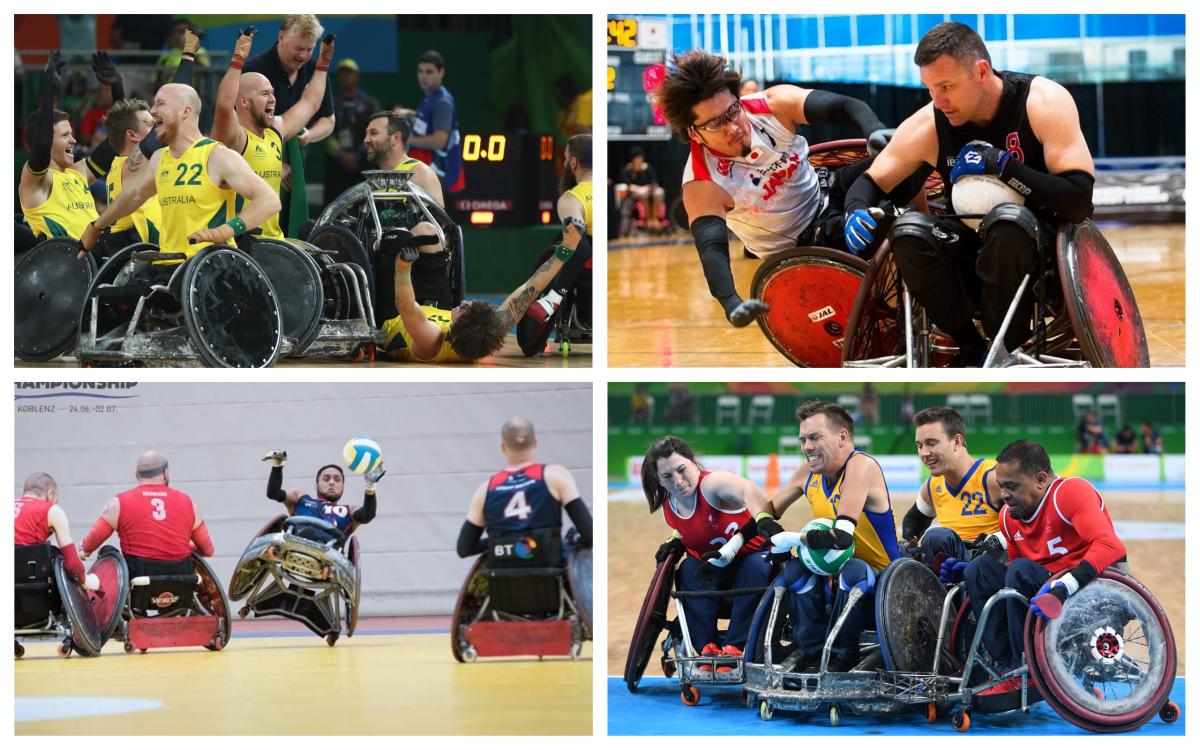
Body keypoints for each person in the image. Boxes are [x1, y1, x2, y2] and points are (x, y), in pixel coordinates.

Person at [843, 21, 1095, 364]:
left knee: (1008, 222)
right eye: (930, 88)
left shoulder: (1043, 101)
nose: (938, 100)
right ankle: (972, 347)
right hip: (970, 247)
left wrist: (1006, 168)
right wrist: (855, 208)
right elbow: (871, 180)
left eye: (946, 86)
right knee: (908, 231)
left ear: (980, 71)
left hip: (1039, 250)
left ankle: (1004, 343)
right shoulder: (931, 123)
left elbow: (1079, 201)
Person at [657, 49, 910, 327]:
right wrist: (730, 301)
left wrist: (872, 128)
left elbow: (847, 106)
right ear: (694, 132)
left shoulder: (772, 104)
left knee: (906, 156)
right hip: (805, 243)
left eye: (732, 111)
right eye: (716, 122)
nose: (733, 127)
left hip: (829, 187)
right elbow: (712, 251)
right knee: (895, 228)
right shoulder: (702, 183)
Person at [963, 440, 1126, 703]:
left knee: (1020, 570)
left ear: (1040, 479)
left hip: (1084, 590)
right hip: (1042, 590)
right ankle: (1005, 667)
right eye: (1001, 486)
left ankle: (1026, 668)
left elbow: (1111, 546)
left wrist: (1065, 586)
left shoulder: (1070, 492)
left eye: (1011, 486)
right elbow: (1010, 579)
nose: (1003, 494)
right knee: (978, 570)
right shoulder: (1008, 516)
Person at [755, 400, 902, 672]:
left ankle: (842, 656)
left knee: (853, 568)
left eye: (814, 437)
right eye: (802, 440)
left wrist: (792, 538)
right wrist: (764, 522)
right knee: (795, 571)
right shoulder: (808, 471)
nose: (807, 447)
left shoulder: (861, 466)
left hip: (885, 584)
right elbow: (770, 508)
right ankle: (812, 654)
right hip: (835, 578)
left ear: (842, 436)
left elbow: (841, 538)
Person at [79, 82, 282, 272]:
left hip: (209, 267)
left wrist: (227, 230)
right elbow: (132, 196)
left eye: (160, 104)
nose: (153, 110)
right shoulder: (160, 159)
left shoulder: (217, 155)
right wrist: (96, 226)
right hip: (169, 264)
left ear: (186, 111)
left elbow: (270, 201)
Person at [640, 435, 770, 668]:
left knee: (756, 564)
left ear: (694, 463)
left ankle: (736, 646)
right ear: (659, 480)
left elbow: (750, 489)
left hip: (752, 567)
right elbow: (692, 529)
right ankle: (705, 647)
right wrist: (675, 539)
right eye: (667, 476)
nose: (678, 481)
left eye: (682, 470)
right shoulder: (669, 508)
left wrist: (761, 519)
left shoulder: (711, 485)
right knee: (688, 568)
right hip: (714, 575)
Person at [381, 217, 588, 363]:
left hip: (394, 312)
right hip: (432, 306)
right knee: (428, 232)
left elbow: (406, 306)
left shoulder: (432, 340)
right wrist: (565, 251)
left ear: (457, 329)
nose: (463, 302)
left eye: (464, 309)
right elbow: (529, 289)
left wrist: (403, 268)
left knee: (398, 237)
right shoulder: (483, 335)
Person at [211, 27, 334, 240]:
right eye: (264, 93)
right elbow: (224, 105)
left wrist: (323, 63)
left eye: (273, 93)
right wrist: (238, 58)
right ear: (244, 102)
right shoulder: (235, 138)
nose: (273, 99)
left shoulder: (275, 132)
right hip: (239, 244)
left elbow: (310, 103)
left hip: (274, 241)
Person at [243, 14, 337, 235]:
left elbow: (322, 114)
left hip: (293, 159)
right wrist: (272, 162)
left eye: (309, 49)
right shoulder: (255, 70)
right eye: (298, 48)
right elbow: (241, 128)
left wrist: (309, 135)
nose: (304, 55)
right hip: (252, 159)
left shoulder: (314, 71)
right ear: (282, 36)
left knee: (292, 227)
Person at [457, 416, 593, 561]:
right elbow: (590, 534)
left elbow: (464, 549)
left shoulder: (485, 489)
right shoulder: (556, 475)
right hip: (549, 577)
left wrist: (501, 544)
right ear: (534, 442)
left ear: (503, 446)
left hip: (502, 580)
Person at [363, 110, 453, 311]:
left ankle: (437, 310)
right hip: (380, 261)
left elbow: (439, 230)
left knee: (413, 234)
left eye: (373, 133)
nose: (366, 140)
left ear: (395, 137)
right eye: (366, 134)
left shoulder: (418, 172)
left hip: (411, 262)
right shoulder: (373, 180)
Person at [901, 407, 1002, 578]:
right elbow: (913, 522)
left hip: (989, 569)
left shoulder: (993, 478)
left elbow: (1025, 527)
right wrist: (906, 545)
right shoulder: (932, 486)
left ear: (957, 442)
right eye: (920, 445)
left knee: (936, 537)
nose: (924, 453)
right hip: (949, 567)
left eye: (932, 443)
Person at [80, 451, 215, 579]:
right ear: (166, 474)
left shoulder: (119, 503)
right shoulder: (188, 502)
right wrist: (182, 546)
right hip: (181, 581)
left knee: (106, 550)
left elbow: (89, 544)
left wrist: (83, 551)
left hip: (139, 580)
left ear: (137, 476)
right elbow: (207, 550)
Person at [516, 133, 593, 354]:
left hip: (586, 278)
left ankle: (551, 300)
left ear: (573, 163)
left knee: (563, 243)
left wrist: (554, 295)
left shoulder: (572, 199)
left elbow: (578, 245)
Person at [19, 52, 100, 240]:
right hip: (65, 264)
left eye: (72, 134)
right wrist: (49, 91)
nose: (73, 140)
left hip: (100, 262)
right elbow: (42, 144)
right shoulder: (39, 181)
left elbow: (116, 144)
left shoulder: (78, 173)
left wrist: (116, 89)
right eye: (65, 135)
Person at [261, 448, 384, 541]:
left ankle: (315, 543)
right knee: (300, 530)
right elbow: (273, 493)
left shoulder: (349, 510)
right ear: (316, 485)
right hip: (297, 541)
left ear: (343, 487)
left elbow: (368, 515)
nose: (331, 482)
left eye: (337, 480)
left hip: (328, 552)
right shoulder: (300, 498)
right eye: (326, 479)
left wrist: (370, 486)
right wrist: (277, 467)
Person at [15, 472, 91, 588]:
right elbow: (73, 566)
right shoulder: (52, 510)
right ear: (50, 494)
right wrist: (87, 581)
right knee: (57, 555)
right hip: (31, 587)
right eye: (56, 501)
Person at [324, 58, 380, 203]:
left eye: (349, 72)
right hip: (337, 169)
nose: (346, 76)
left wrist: (357, 155)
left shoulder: (370, 104)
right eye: (342, 73)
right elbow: (326, 134)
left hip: (364, 166)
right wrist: (342, 156)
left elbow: (376, 132)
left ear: (357, 76)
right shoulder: (331, 104)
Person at [409, 50, 464, 194]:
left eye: (429, 72)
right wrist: (410, 113)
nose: (424, 76)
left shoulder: (442, 102)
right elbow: (430, 122)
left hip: (439, 176)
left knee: (433, 217)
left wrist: (407, 140)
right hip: (430, 175)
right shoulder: (431, 98)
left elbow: (439, 141)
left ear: (441, 72)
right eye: (420, 71)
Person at [616, 147, 666, 235]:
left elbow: (654, 183)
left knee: (659, 191)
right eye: (637, 158)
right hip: (635, 194)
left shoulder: (647, 168)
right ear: (632, 159)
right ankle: (647, 219)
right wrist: (639, 188)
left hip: (648, 190)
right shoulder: (627, 170)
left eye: (641, 158)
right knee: (642, 193)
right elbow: (627, 185)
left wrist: (647, 187)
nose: (639, 160)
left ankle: (654, 218)